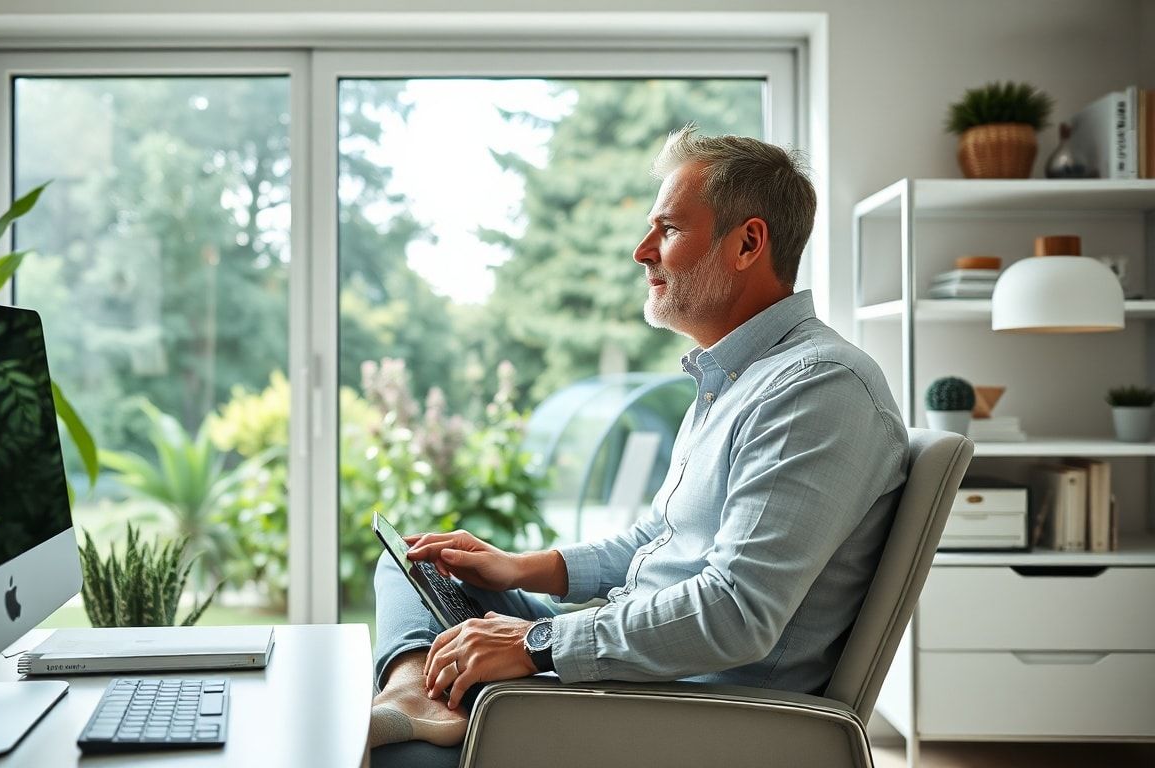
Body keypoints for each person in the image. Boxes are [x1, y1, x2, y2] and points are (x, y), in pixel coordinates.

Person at [366, 124, 909, 766]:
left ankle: (423, 728)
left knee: (409, 764)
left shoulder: (817, 392)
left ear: (748, 243)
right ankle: (414, 697)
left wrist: (538, 642)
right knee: (418, 561)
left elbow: (736, 612)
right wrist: (519, 567)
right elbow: (656, 540)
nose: (641, 250)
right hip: (643, 662)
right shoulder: (734, 376)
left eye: (669, 229)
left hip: (689, 707)